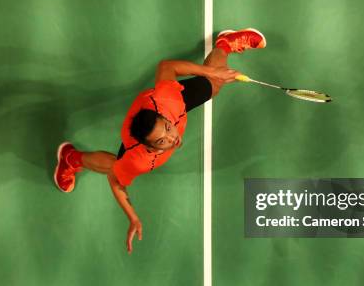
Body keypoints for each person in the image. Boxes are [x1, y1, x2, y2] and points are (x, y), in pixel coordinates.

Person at [53, 28, 266, 253]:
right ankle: (71, 158)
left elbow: (166, 67)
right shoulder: (138, 159)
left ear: (165, 118)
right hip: (136, 142)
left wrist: (212, 72)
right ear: (149, 147)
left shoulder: (168, 99)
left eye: (167, 129)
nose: (173, 138)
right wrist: (132, 217)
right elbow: (116, 180)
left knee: (214, 84)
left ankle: (225, 43)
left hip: (165, 106)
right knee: (113, 165)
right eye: (162, 141)